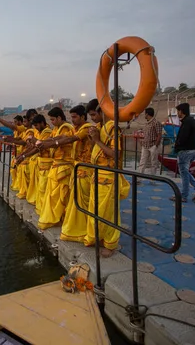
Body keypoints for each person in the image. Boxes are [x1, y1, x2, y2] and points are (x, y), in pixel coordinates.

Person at [85, 99, 131, 257]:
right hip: (96, 175)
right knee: (95, 211)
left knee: (109, 212)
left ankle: (110, 244)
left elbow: (115, 154)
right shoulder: (98, 127)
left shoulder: (113, 128)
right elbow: (95, 150)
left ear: (102, 111)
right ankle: (97, 237)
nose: (92, 118)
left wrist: (97, 140)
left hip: (108, 177)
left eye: (93, 114)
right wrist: (93, 141)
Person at [36, 107, 76, 230]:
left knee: (62, 196)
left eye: (53, 119)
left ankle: (61, 218)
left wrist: (43, 144)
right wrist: (39, 143)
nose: (52, 122)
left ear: (59, 117)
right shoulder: (56, 129)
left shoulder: (67, 128)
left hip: (64, 166)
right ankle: (56, 217)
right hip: (56, 165)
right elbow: (51, 140)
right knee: (53, 195)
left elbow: (59, 141)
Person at [59, 105, 93, 243]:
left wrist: (50, 143)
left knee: (83, 202)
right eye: (71, 117)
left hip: (86, 170)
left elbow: (70, 139)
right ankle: (76, 228)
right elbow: (62, 136)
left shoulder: (87, 128)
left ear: (83, 117)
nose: (72, 120)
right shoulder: (75, 129)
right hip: (77, 168)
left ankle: (85, 230)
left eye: (74, 117)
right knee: (76, 201)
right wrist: (43, 142)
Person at [170, 103, 195, 203]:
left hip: (185, 151)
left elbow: (183, 137)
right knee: (185, 172)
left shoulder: (187, 122)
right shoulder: (191, 121)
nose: (177, 113)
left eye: (178, 111)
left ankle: (184, 196)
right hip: (192, 150)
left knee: (184, 174)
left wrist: (177, 146)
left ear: (182, 111)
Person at [15, 114, 52, 210]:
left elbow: (39, 146)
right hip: (40, 163)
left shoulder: (47, 132)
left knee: (43, 187)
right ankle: (41, 206)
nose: (35, 127)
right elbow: (32, 146)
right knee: (40, 186)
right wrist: (22, 155)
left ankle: (45, 208)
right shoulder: (38, 132)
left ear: (43, 123)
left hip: (47, 163)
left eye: (36, 125)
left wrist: (24, 155)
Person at [0, 115, 25, 191]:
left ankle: (20, 187)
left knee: (18, 171)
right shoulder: (16, 131)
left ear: (20, 122)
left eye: (16, 122)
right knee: (13, 170)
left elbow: (11, 127)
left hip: (22, 153)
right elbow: (15, 138)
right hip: (16, 153)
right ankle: (17, 185)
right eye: (14, 122)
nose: (14, 124)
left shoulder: (22, 128)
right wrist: (10, 140)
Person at [138, 107, 162, 183]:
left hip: (153, 145)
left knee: (153, 163)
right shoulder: (147, 123)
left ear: (147, 114)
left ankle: (152, 179)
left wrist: (155, 145)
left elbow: (159, 135)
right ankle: (138, 179)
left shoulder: (156, 123)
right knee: (142, 162)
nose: (144, 115)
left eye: (145, 114)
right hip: (145, 146)